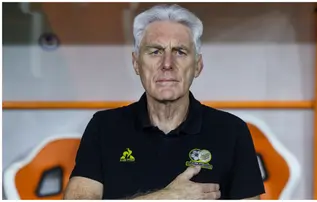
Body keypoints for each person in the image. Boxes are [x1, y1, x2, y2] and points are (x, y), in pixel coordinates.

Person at [63, 4, 265, 200]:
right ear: (136, 63)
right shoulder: (104, 127)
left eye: (180, 51)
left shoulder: (232, 131)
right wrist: (163, 198)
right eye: (155, 51)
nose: (167, 64)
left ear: (197, 66)